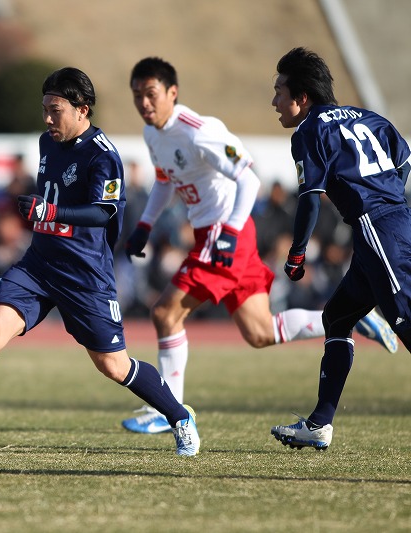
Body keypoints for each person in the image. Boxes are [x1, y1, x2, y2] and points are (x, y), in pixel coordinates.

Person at [0, 66, 200, 456]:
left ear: (82, 110)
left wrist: (50, 212)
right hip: (38, 264)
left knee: (113, 366)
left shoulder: (103, 156)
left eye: (56, 110)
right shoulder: (46, 142)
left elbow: (103, 212)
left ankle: (180, 417)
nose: (48, 118)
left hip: (85, 274)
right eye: (45, 109)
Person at [121, 56, 398, 435]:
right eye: (137, 95)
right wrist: (144, 225)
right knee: (260, 332)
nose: (144, 103)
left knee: (165, 313)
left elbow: (250, 180)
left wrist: (232, 233)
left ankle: (169, 408)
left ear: (172, 92)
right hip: (220, 235)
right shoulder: (153, 134)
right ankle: (351, 317)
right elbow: (165, 181)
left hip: (225, 234)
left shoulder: (200, 131)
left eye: (150, 94)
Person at [269, 47, 411, 450]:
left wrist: (296, 255)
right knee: (337, 317)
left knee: (405, 320)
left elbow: (310, 198)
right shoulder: (370, 117)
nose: (274, 101)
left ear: (302, 97)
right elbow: (404, 161)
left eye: (279, 91)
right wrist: (385, 198)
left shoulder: (309, 130)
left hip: (378, 229)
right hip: (390, 224)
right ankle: (319, 424)